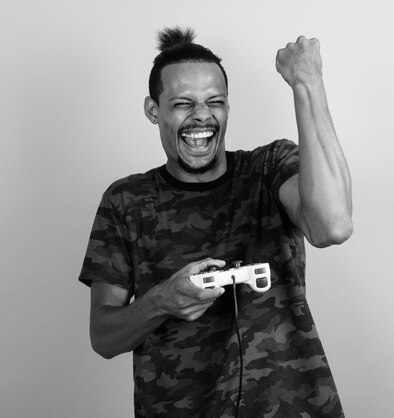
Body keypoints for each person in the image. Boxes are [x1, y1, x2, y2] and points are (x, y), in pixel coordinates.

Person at [78, 27, 352, 417]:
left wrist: (308, 84)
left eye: (215, 102)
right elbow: (103, 337)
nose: (202, 116)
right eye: (183, 104)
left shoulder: (269, 168)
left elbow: (333, 226)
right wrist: (161, 301)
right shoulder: (125, 201)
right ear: (153, 110)